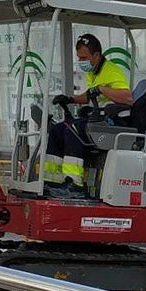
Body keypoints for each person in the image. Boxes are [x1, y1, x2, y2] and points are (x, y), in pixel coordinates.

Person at [41, 33, 131, 198]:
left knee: (73, 129)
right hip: (98, 121)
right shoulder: (94, 71)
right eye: (79, 57)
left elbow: (127, 97)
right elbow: (90, 95)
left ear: (96, 55)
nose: (81, 61)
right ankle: (52, 181)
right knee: (58, 129)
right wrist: (70, 99)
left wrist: (103, 89)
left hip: (112, 123)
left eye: (84, 57)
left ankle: (73, 184)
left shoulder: (111, 71)